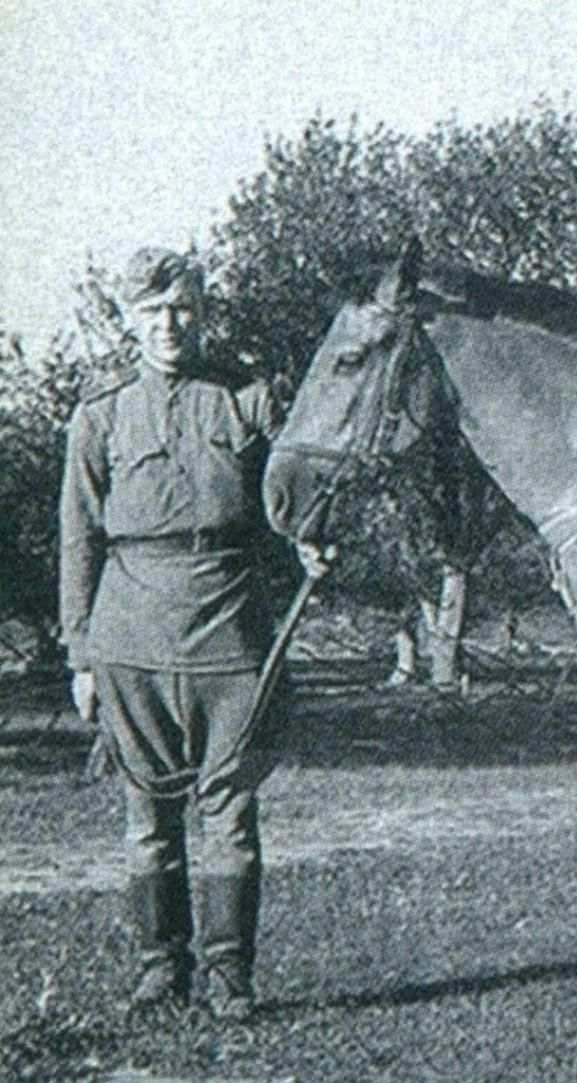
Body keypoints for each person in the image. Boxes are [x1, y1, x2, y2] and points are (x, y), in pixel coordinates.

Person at [60, 248, 323, 1020]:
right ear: (131, 320)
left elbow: (299, 483)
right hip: (129, 632)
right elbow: (78, 537)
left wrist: (312, 534)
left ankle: (228, 974)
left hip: (231, 628)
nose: (169, 324)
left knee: (231, 812)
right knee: (148, 817)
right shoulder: (100, 413)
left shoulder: (248, 397)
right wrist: (79, 654)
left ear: (203, 312)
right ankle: (158, 968)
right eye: (152, 311)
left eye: (182, 308)